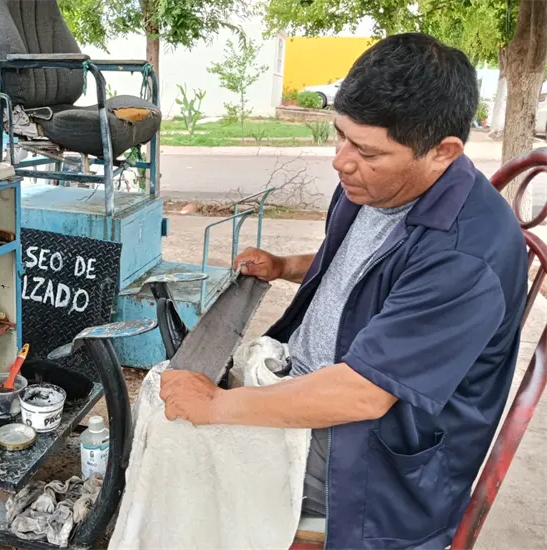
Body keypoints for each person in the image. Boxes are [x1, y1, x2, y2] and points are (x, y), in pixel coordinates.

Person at [158, 33, 528, 550]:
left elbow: (361, 393)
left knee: (185, 454)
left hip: (373, 455)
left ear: (443, 153)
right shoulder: (374, 183)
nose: (341, 161)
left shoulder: (466, 255)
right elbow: (359, 270)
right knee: (172, 415)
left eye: (368, 150)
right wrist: (287, 266)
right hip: (317, 381)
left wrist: (219, 405)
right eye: (340, 136)